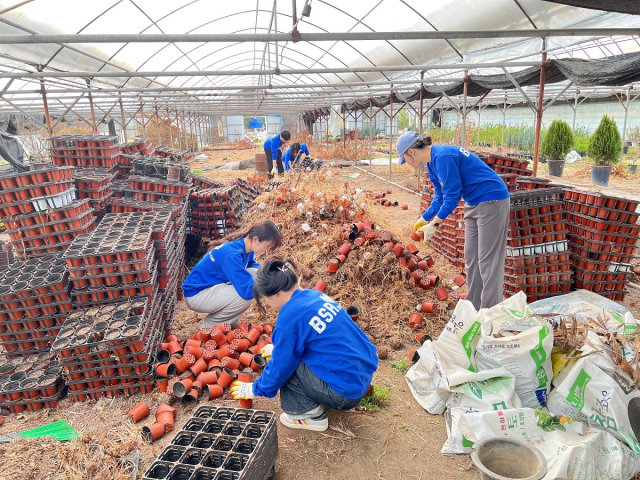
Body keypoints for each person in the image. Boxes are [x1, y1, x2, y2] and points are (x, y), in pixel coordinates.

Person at [230, 257, 378, 432]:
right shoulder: (314, 295)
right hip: (360, 377)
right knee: (289, 354)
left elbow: (281, 367)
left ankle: (308, 413)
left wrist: (254, 389)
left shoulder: (289, 317)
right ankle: (324, 395)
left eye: (265, 298)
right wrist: (279, 349)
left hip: (344, 393)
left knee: (288, 364)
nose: (267, 304)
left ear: (275, 293)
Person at [396, 132, 510, 310]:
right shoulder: (431, 164)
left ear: (411, 151)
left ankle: (491, 312)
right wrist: (424, 218)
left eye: (404, 159)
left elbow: (452, 196)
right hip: (473, 202)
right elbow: (439, 197)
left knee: (488, 261)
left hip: (492, 200)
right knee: (472, 258)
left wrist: (434, 224)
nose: (406, 164)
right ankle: (474, 306)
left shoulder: (443, 157)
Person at [182, 220, 282, 328]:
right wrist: (271, 288)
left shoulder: (244, 246)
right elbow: (247, 292)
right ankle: (208, 327)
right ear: (256, 239)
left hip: (211, 287)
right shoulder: (232, 255)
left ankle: (228, 319)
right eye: (267, 246)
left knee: (256, 274)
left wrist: (271, 270)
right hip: (197, 295)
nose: (266, 250)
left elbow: (253, 267)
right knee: (245, 297)